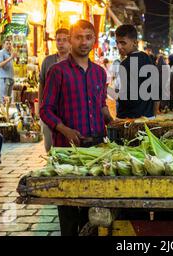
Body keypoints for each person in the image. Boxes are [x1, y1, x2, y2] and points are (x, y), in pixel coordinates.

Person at [40, 20, 113, 236]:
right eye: (78, 37)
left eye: (88, 37)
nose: (84, 42)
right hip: (67, 152)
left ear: (94, 40)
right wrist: (64, 129)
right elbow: (45, 110)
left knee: (94, 210)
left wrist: (113, 121)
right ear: (71, 39)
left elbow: (100, 106)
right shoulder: (57, 72)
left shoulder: (99, 73)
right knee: (70, 210)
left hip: (97, 150)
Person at [38, 28, 70, 152]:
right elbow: (42, 84)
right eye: (58, 40)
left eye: (64, 40)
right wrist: (40, 107)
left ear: (70, 42)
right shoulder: (48, 61)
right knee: (49, 146)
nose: (60, 43)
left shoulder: (74, 60)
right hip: (49, 108)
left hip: (68, 109)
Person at [116, 24, 157, 119]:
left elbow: (128, 98)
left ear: (134, 43)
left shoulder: (125, 64)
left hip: (129, 119)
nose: (119, 46)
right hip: (148, 116)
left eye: (123, 43)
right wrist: (153, 115)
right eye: (117, 42)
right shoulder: (148, 59)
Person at [0, 36, 17, 103]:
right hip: (4, 78)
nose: (8, 45)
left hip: (10, 77)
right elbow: (0, 65)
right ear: (3, 44)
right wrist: (11, 57)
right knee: (3, 98)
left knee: (8, 99)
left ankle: (7, 112)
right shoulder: (1, 52)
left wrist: (12, 55)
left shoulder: (10, 53)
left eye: (10, 44)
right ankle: (3, 112)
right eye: (7, 43)